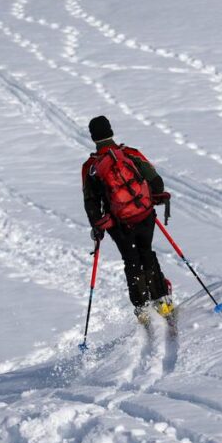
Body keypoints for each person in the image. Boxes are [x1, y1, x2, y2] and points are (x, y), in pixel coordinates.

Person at [81, 115, 174, 321]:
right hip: (144, 215)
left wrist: (98, 227)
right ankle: (162, 302)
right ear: (110, 131)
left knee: (131, 260)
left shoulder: (91, 167)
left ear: (93, 137)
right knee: (146, 253)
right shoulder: (130, 154)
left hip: (119, 223)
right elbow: (156, 182)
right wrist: (150, 200)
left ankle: (142, 309)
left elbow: (91, 202)